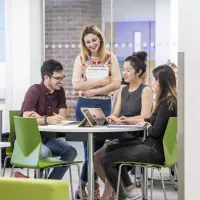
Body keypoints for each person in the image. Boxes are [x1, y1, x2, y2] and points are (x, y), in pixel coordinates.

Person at [100, 65, 177, 200]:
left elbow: (155, 132)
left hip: (154, 151)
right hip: (158, 149)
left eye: (154, 79)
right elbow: (153, 120)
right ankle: (130, 191)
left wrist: (146, 125)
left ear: (160, 81)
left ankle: (122, 197)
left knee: (106, 160)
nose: (152, 82)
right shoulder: (171, 102)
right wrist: (132, 121)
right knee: (110, 150)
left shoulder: (166, 104)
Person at [93, 51, 153, 200]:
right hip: (122, 137)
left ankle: (115, 194)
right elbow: (116, 114)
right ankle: (123, 190)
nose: (124, 73)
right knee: (96, 157)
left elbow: (147, 116)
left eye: (128, 70)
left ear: (138, 72)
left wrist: (127, 120)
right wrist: (112, 118)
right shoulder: (122, 90)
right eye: (123, 69)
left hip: (137, 140)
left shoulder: (145, 90)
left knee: (107, 158)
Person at [72, 25, 121, 200]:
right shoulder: (81, 59)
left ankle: (84, 186)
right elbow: (77, 85)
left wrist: (94, 90)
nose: (92, 44)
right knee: (87, 150)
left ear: (100, 38)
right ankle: (88, 188)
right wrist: (99, 84)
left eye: (94, 40)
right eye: (88, 42)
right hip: (84, 105)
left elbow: (116, 82)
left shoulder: (110, 58)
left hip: (104, 106)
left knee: (97, 152)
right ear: (84, 44)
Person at [17, 59, 77, 180]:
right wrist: (47, 119)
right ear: (46, 78)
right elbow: (26, 119)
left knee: (71, 151)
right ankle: (42, 188)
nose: (61, 81)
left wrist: (39, 118)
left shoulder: (60, 92)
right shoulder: (34, 91)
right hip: (27, 138)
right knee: (45, 153)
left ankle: (49, 185)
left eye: (62, 77)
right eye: (57, 78)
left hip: (48, 137)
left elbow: (62, 117)